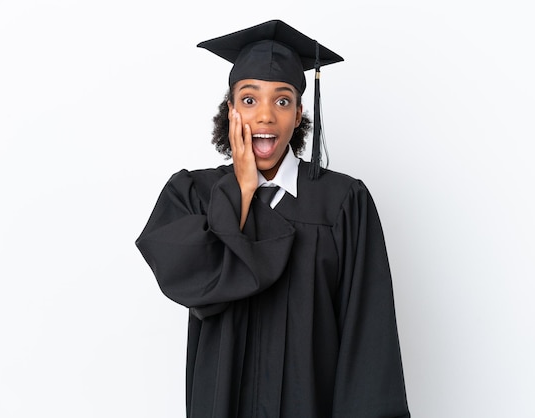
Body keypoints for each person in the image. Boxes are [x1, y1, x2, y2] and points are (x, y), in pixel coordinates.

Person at [136, 19, 411, 418]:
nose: (265, 116)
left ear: (299, 114)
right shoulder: (192, 196)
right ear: (229, 110)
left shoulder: (343, 203)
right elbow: (194, 283)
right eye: (249, 100)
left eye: (282, 101)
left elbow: (369, 340)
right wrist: (242, 189)